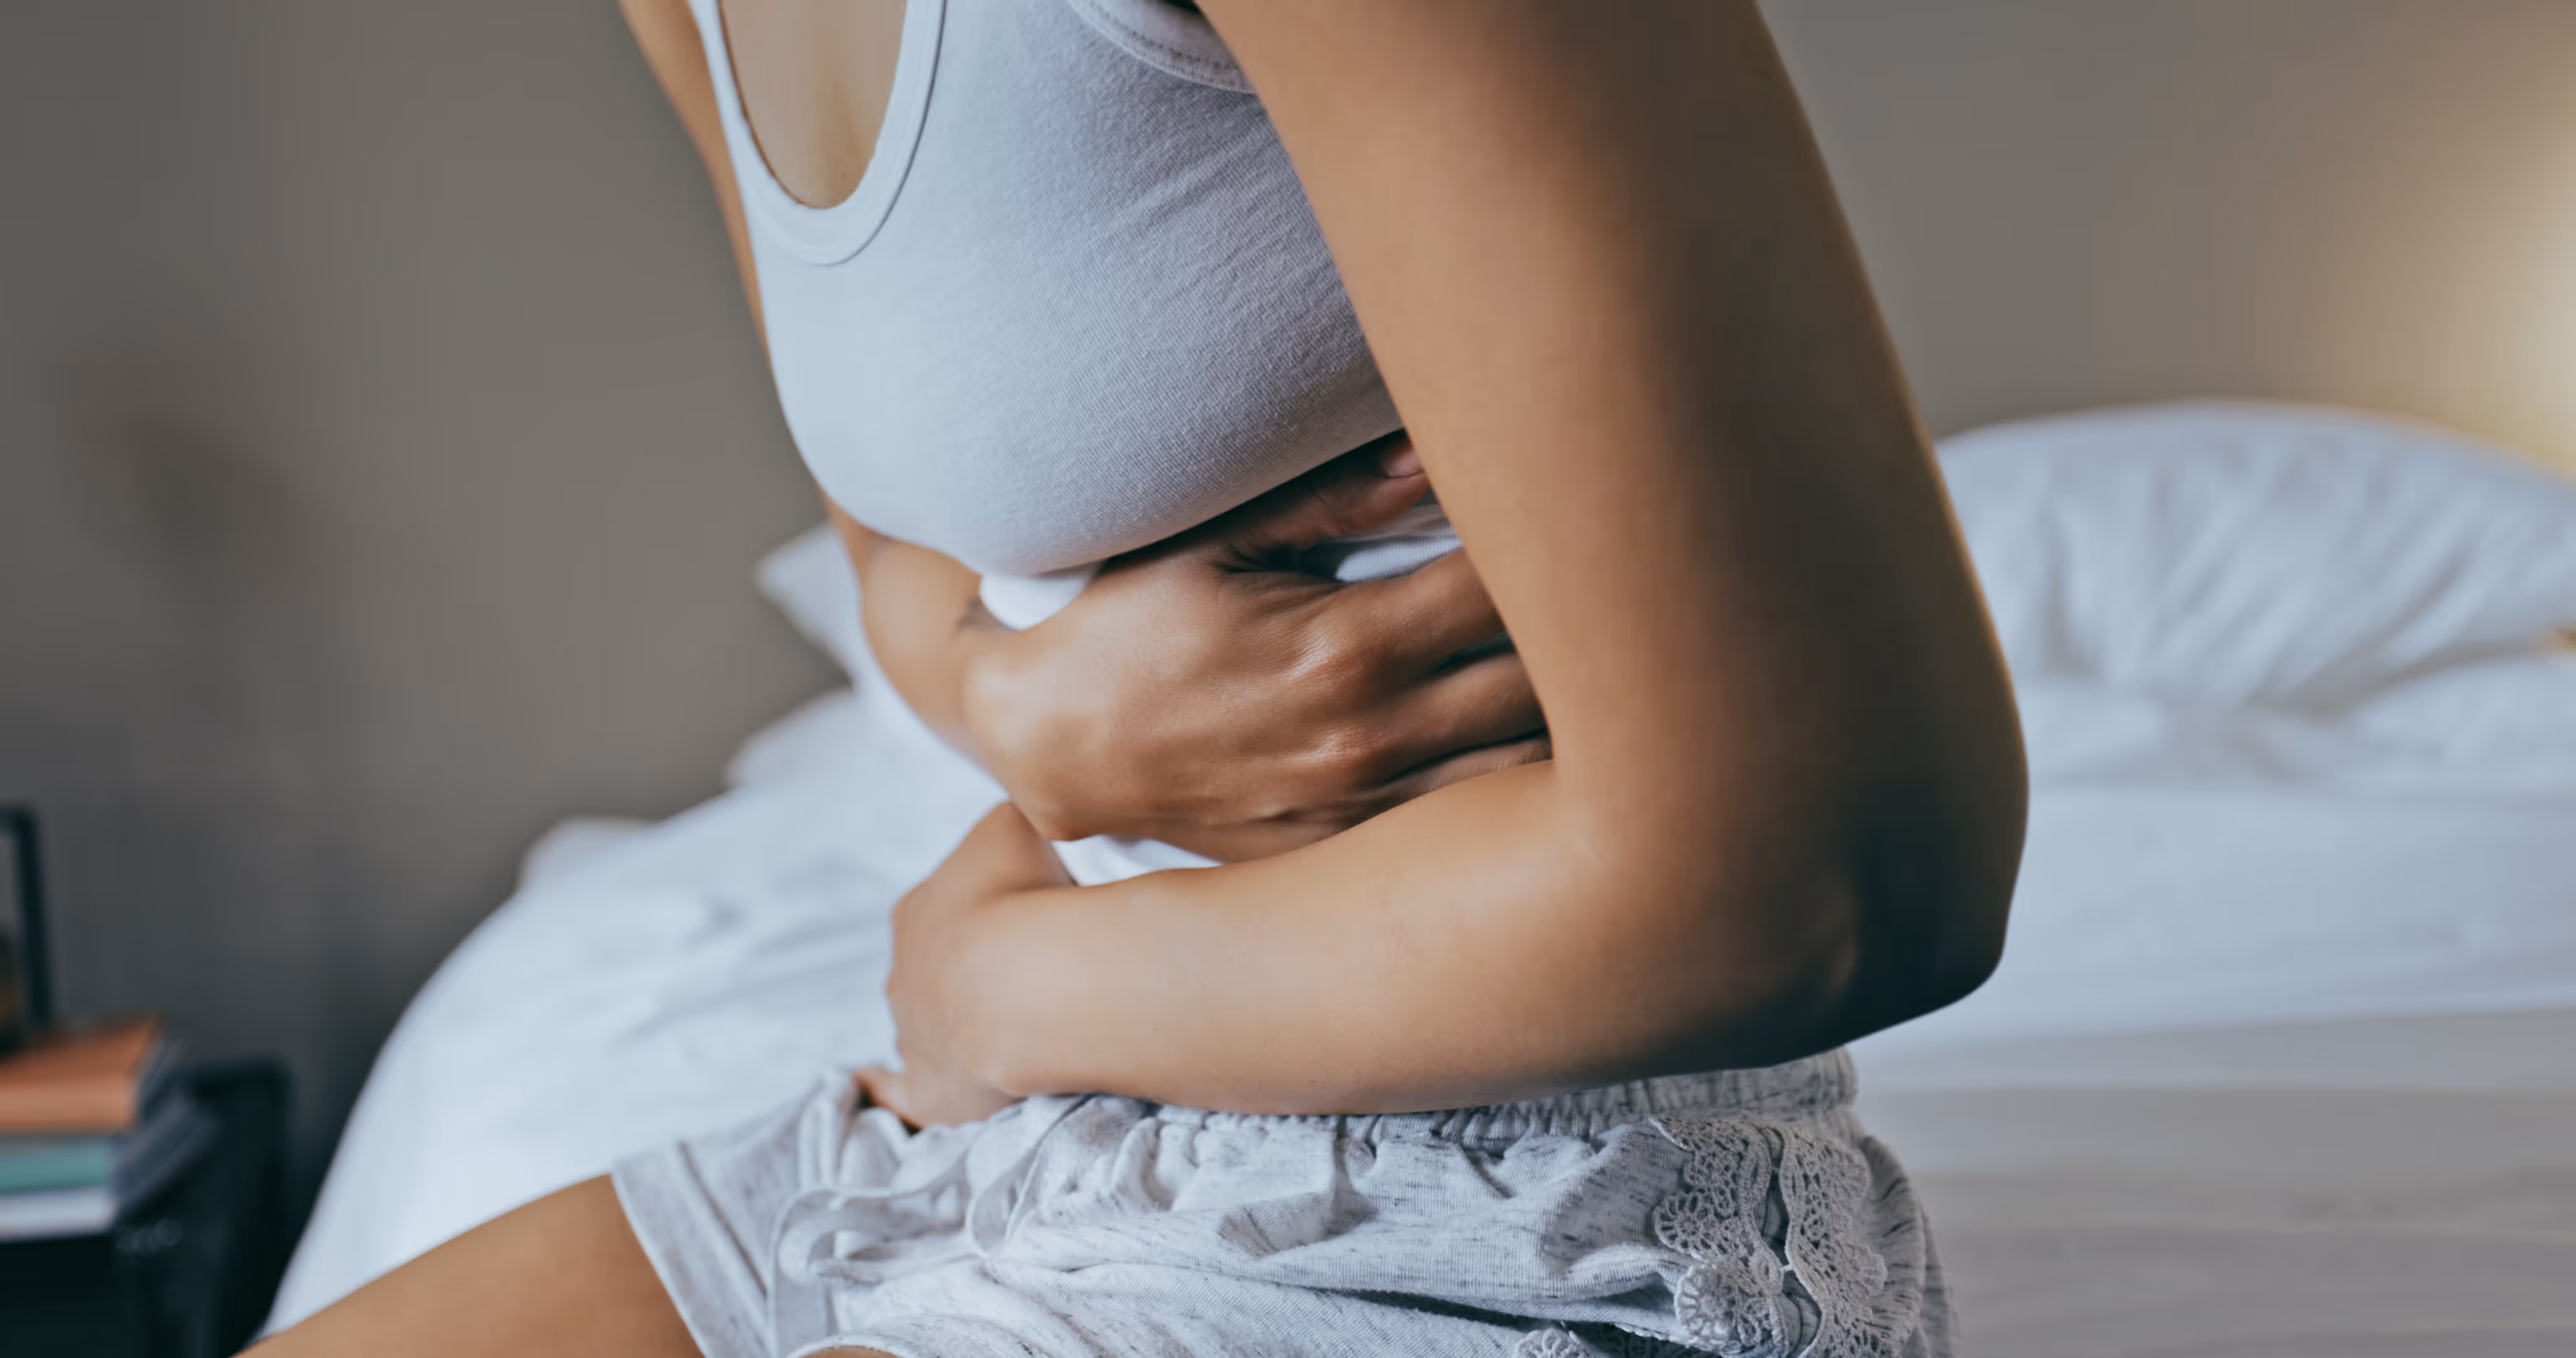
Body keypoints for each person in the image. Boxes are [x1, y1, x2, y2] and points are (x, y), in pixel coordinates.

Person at [258, 1, 2025, 1354]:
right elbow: (899, 551)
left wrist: (1012, 984)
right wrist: (1020, 710)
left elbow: (1849, 875)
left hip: (1529, 1190)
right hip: (1041, 1134)